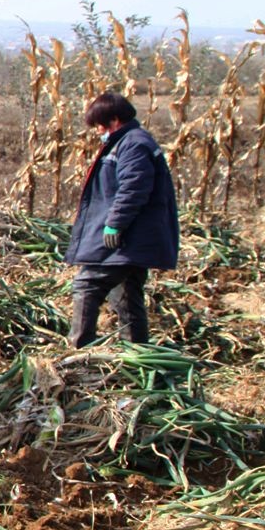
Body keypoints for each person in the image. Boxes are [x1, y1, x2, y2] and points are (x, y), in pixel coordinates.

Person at [67, 92, 179, 347]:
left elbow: (134, 188)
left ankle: (78, 350)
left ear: (114, 120)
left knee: (87, 285)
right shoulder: (131, 142)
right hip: (136, 239)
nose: (98, 131)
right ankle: (137, 353)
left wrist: (115, 223)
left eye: (99, 125)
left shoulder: (133, 144)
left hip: (130, 238)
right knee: (126, 294)